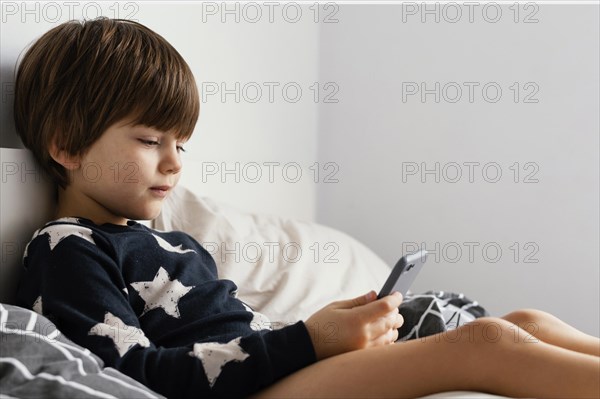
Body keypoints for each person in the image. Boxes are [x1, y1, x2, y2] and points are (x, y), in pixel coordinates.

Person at [13, 18, 599, 399]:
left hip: (277, 365)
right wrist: (309, 343)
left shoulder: (174, 242)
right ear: (66, 144)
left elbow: (234, 335)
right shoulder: (66, 248)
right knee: (486, 342)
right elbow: (138, 376)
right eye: (149, 141)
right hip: (257, 389)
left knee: (524, 322)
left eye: (181, 143)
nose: (174, 163)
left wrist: (325, 329)